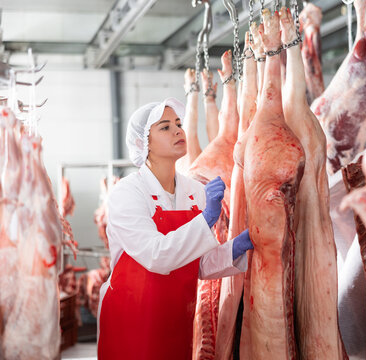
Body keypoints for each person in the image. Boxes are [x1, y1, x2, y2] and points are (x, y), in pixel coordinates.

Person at [97, 98, 253, 360]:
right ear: (143, 143)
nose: (179, 131)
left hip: (176, 318)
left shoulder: (194, 191)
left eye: (179, 124)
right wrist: (205, 221)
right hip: (131, 319)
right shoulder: (128, 192)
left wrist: (235, 249)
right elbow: (157, 256)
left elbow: (197, 264)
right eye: (165, 127)